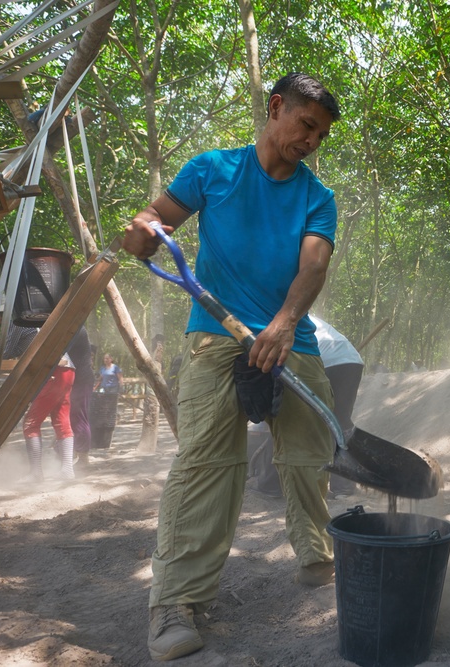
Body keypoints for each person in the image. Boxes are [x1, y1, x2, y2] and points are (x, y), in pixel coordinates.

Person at [123, 72, 342, 662]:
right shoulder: (211, 170)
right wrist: (143, 232)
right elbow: (152, 225)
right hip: (215, 337)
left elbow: (313, 267)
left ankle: (317, 555)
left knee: (309, 446)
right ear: (276, 109)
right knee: (208, 464)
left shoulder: (318, 198)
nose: (311, 142)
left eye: (320, 135)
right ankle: (174, 603)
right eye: (306, 126)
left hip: (287, 336)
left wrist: (285, 322)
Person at [247, 315, 364, 497]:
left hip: (319, 359)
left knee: (283, 418)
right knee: (340, 422)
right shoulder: (288, 311)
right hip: (350, 359)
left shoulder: (263, 321)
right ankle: (344, 487)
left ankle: (270, 484)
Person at [22, 352, 76, 481]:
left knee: (30, 423)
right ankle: (67, 470)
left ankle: (35, 473)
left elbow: (8, 350)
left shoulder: (20, 329)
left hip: (54, 370)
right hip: (68, 370)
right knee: (62, 421)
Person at [66, 326, 93, 470]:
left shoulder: (77, 329)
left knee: (79, 417)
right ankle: (75, 453)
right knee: (72, 416)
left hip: (81, 378)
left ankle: (83, 457)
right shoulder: (74, 327)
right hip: (76, 378)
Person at [91, 353, 122, 451]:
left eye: (107, 358)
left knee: (111, 407)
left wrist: (121, 388)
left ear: (111, 359)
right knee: (103, 407)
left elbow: (120, 378)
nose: (106, 360)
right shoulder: (102, 369)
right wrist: (94, 386)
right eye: (105, 358)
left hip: (113, 390)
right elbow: (100, 379)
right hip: (104, 389)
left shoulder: (116, 368)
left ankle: (115, 417)